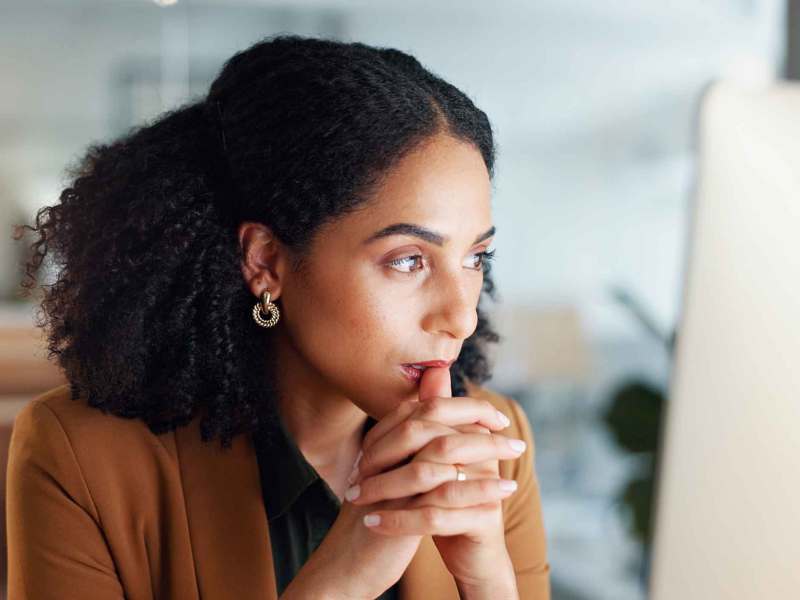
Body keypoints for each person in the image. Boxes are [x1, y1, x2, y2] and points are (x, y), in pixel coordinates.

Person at [7, 34, 550, 599]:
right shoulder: (78, 460)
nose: (460, 317)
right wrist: (342, 579)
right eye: (408, 260)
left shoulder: (496, 450)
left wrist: (487, 582)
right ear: (266, 262)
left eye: (475, 258)